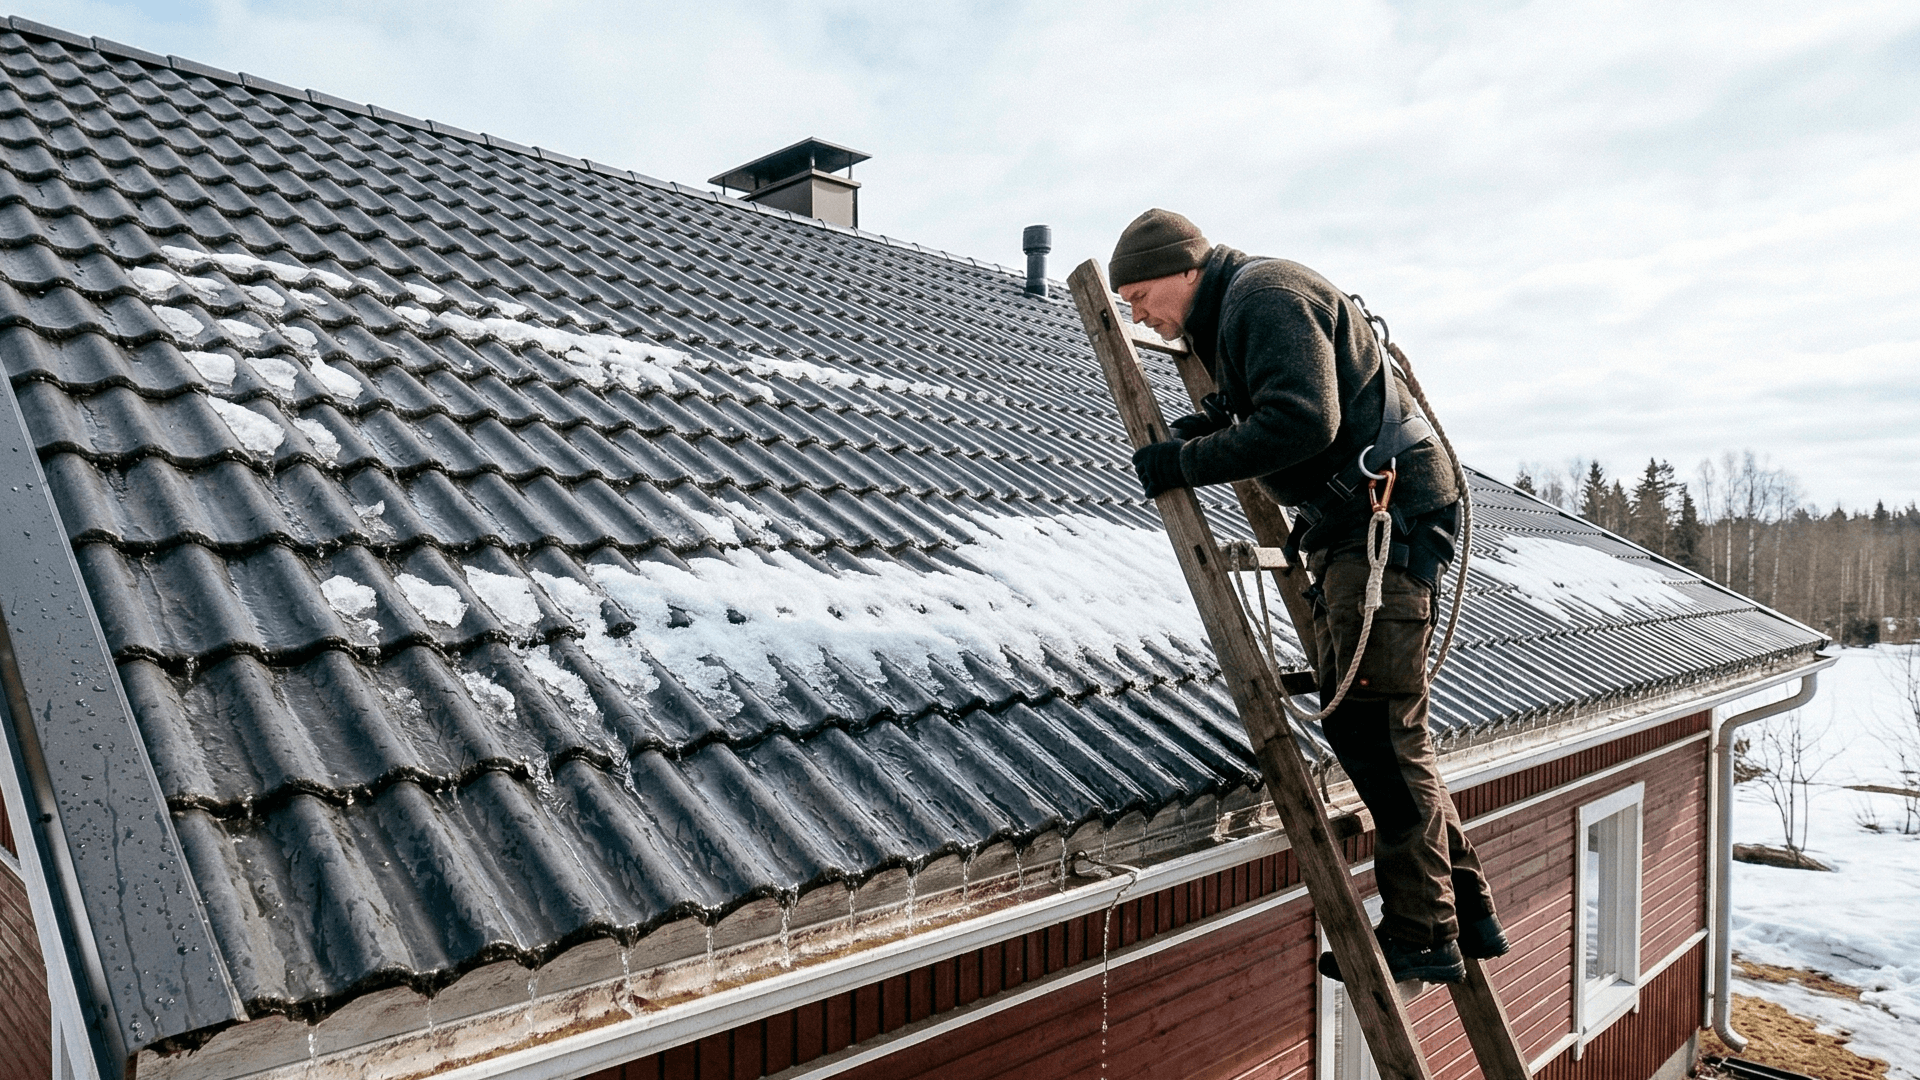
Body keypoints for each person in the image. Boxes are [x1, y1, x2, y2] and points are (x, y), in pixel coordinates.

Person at [1109, 208, 1508, 984]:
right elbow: (1279, 407)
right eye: (1125, 303)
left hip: (1385, 520)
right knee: (1380, 729)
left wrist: (1184, 463)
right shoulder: (1238, 315)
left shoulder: (1265, 296)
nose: (1138, 313)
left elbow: (1300, 421)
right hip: (1356, 524)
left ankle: (1425, 933)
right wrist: (1212, 426)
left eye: (1141, 293)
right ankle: (1468, 911)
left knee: (1377, 732)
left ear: (1186, 269)